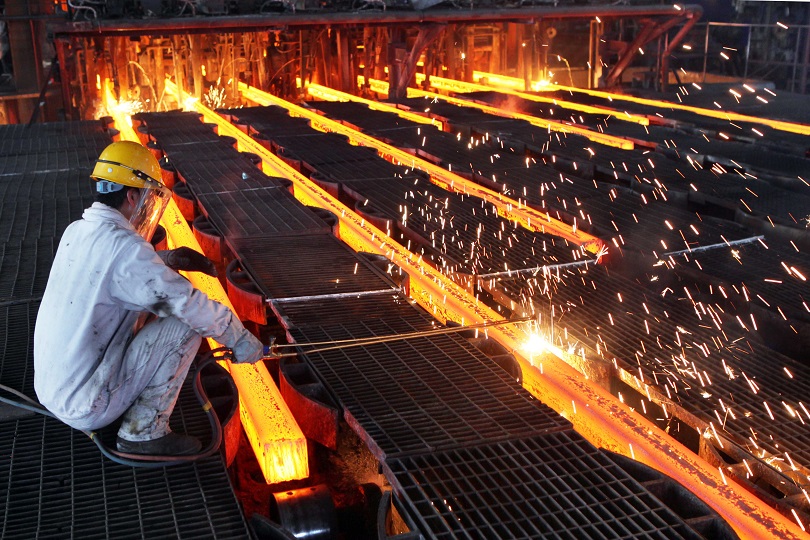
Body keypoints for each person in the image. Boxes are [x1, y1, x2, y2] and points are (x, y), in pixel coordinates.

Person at [34, 140, 264, 456]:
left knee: (159, 311)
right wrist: (240, 339)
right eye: (147, 199)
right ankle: (143, 433)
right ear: (132, 196)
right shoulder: (126, 251)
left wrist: (165, 259)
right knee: (186, 325)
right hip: (87, 402)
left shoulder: (77, 231)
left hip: (54, 387)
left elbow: (109, 271)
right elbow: (187, 304)